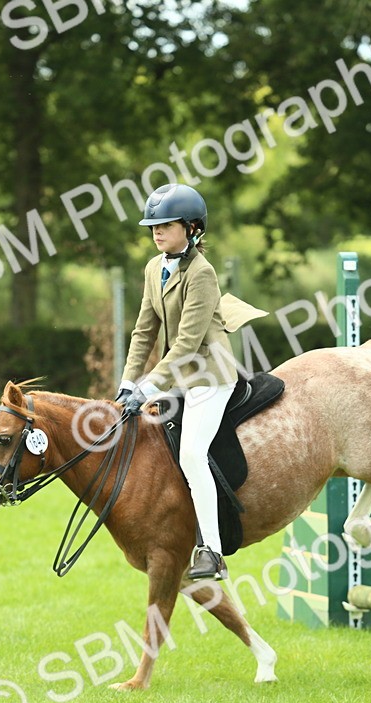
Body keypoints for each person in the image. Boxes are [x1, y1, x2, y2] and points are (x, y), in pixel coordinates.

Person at [116, 184, 262, 581]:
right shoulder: (153, 267)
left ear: (192, 228)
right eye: (153, 226)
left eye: (165, 225)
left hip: (209, 376)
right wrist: (128, 382)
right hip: (177, 376)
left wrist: (149, 386)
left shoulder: (202, 273)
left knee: (192, 456)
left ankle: (212, 552)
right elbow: (143, 332)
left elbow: (187, 342)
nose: (157, 232)